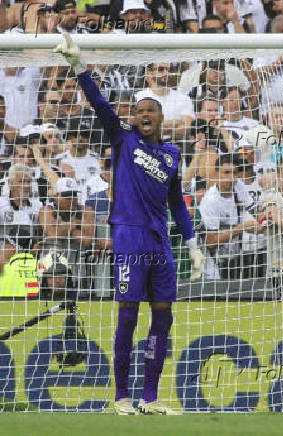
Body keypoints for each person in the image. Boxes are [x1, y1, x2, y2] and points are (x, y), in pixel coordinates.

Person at [55, 33, 204, 415]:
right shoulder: (123, 141)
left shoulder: (171, 155)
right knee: (127, 315)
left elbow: (178, 204)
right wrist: (79, 66)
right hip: (129, 238)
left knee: (163, 318)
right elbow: (100, 104)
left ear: (160, 116)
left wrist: (191, 243)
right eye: (140, 111)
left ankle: (150, 398)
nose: (145, 116)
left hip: (161, 244)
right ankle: (122, 396)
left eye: (151, 110)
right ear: (135, 116)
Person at [199, 153, 263, 279]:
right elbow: (210, 242)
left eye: (234, 173)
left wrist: (265, 219)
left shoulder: (238, 186)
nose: (231, 178)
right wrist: (241, 227)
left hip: (234, 258)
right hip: (213, 265)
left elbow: (255, 210)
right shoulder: (210, 201)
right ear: (217, 174)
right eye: (226, 173)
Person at [260, 154, 283, 299]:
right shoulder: (268, 197)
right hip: (278, 272)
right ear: (278, 175)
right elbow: (269, 215)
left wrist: (281, 219)